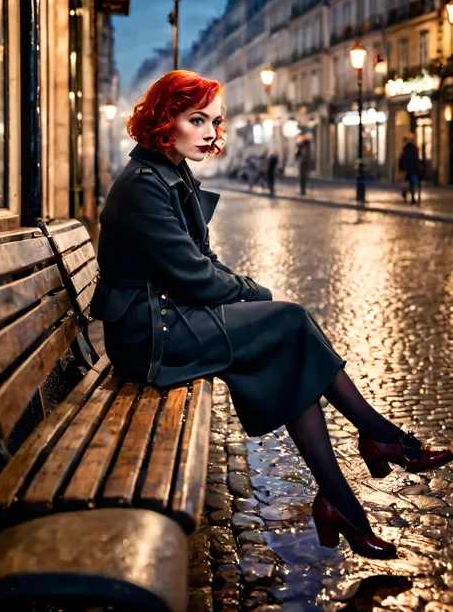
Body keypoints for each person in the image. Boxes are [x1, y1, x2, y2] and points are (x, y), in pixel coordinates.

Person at [90, 71, 453, 561]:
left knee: (286, 341)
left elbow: (202, 264)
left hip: (168, 318)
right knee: (287, 321)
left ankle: (344, 493)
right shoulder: (145, 185)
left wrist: (246, 293)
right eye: (196, 119)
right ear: (164, 118)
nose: (209, 132)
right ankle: (377, 441)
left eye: (214, 121)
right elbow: (196, 276)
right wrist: (255, 292)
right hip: (150, 334)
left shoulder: (168, 175)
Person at [399, 133, 421, 205]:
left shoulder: (406, 149)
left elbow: (402, 159)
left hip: (409, 169)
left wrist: (402, 168)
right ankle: (410, 197)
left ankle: (407, 195)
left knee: (409, 183)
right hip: (412, 169)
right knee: (411, 184)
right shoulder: (413, 149)